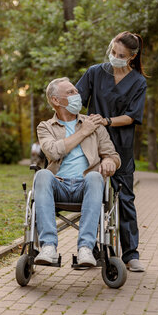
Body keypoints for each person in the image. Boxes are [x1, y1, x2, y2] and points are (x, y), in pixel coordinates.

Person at [75, 31, 147, 272]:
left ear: (132, 57)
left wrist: (107, 121)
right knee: (93, 193)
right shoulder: (95, 72)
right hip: (93, 144)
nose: (115, 57)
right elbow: (77, 100)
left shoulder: (138, 82)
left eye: (121, 55)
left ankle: (131, 254)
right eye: (114, 52)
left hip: (122, 145)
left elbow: (132, 116)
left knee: (124, 197)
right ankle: (91, 250)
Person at [34, 77, 121, 267]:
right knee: (42, 175)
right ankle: (48, 246)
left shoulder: (94, 123)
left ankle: (86, 249)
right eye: (71, 92)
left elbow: (113, 155)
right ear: (56, 100)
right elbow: (53, 151)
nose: (77, 95)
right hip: (59, 184)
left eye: (76, 91)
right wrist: (83, 132)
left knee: (95, 176)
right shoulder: (45, 127)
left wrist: (109, 161)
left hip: (87, 185)